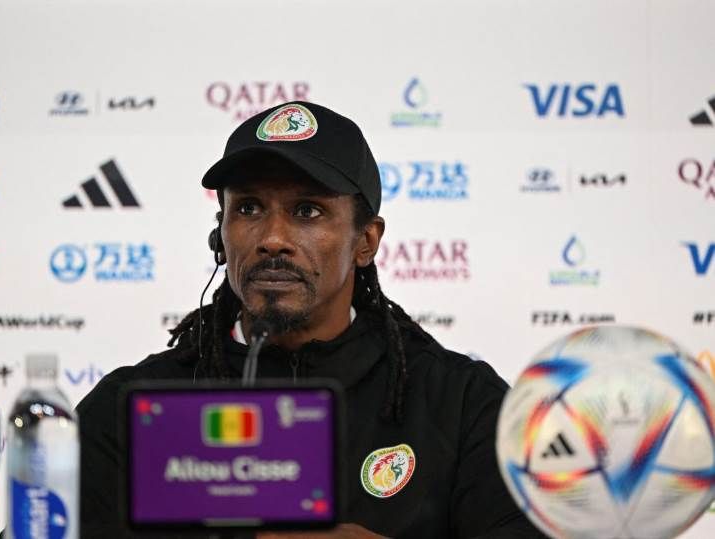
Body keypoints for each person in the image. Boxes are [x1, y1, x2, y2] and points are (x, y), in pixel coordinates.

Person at [75, 102, 544, 538]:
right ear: (220, 235)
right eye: (249, 208)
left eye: (307, 210)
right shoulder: (128, 410)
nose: (273, 238)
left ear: (366, 241)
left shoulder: (460, 402)